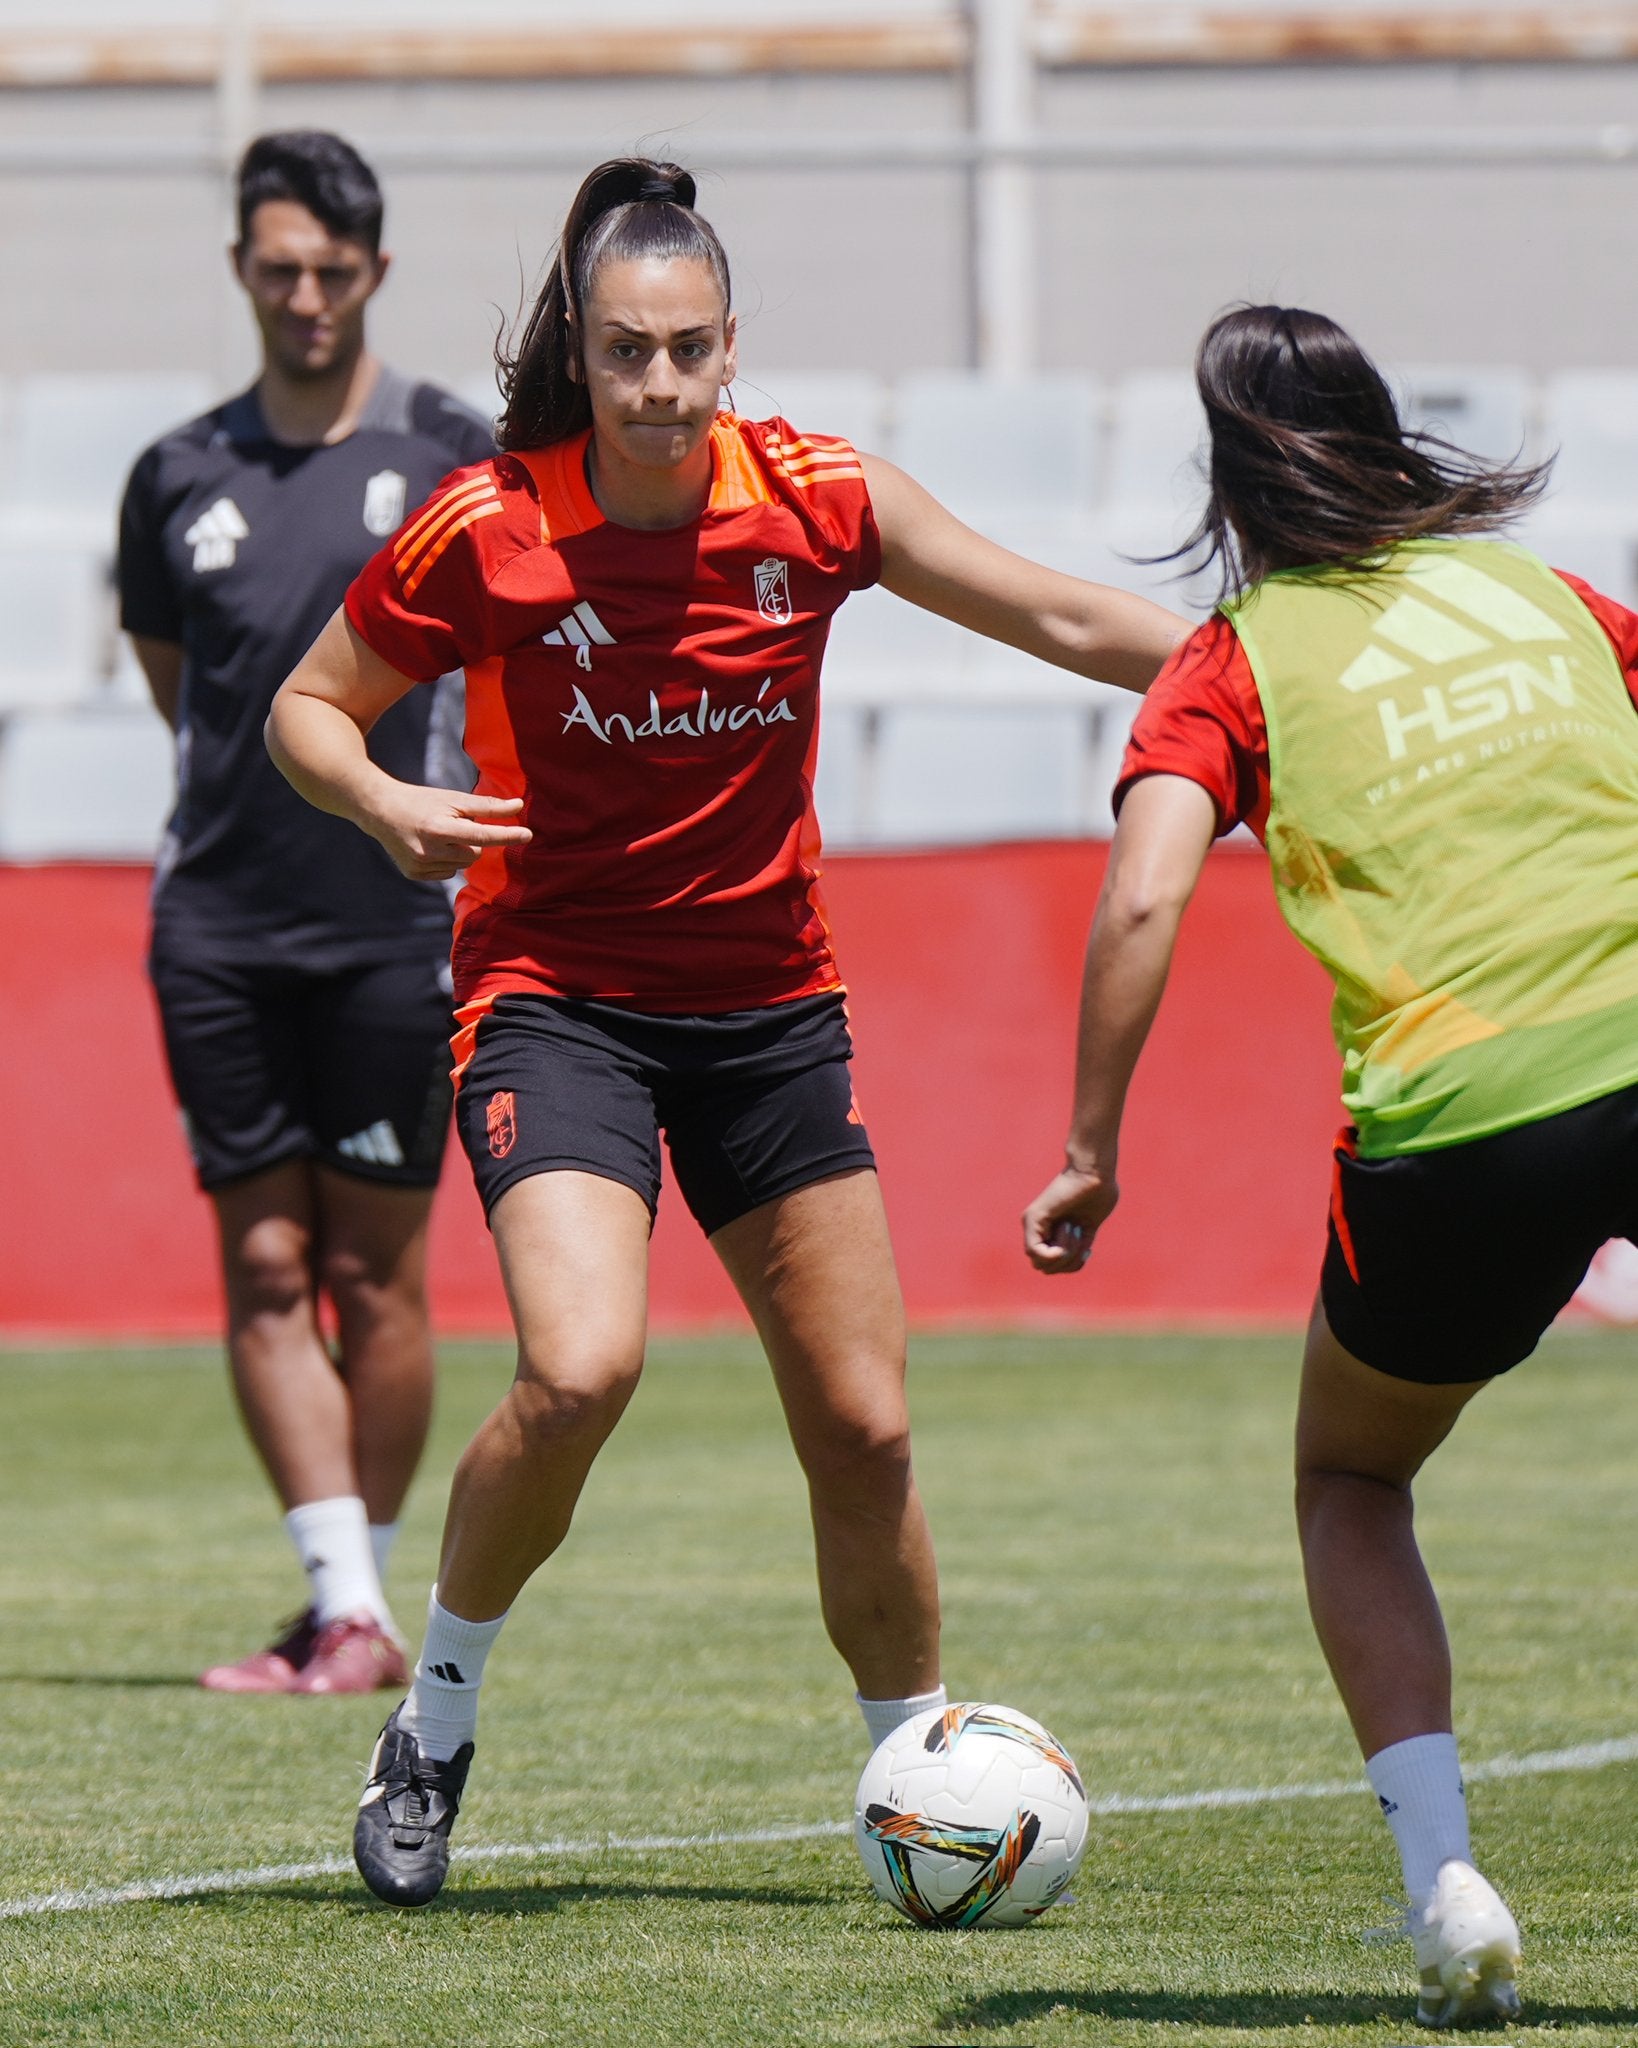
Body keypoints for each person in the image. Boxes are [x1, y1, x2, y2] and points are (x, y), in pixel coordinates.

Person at [266, 154, 1186, 1906]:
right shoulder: (490, 526)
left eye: (689, 351)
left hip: (768, 1017)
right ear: (587, 354)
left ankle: (923, 1784)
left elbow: (1056, 610)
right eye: (627, 355)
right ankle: (432, 1725)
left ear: (731, 348)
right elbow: (311, 710)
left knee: (863, 1424)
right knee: (582, 1367)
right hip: (555, 1008)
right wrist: (384, 797)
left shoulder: (820, 502)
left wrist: (1247, 676)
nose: (661, 388)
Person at [1021, 303, 1638, 2028]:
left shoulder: (1233, 656)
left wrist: (1087, 1149)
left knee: (1350, 1484)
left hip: (1461, 1126)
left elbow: (1145, 891)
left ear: (1234, 484)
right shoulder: (1543, 593)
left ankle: (1444, 1884)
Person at [118, 131, 495, 1695]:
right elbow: (181, 692)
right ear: (240, 272)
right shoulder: (177, 473)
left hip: (397, 931)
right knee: (265, 1268)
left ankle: (365, 1598)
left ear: (375, 275)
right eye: (279, 270)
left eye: (334, 272)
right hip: (218, 926)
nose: (306, 297)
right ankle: (340, 1605)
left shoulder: (450, 450)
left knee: (371, 1277)